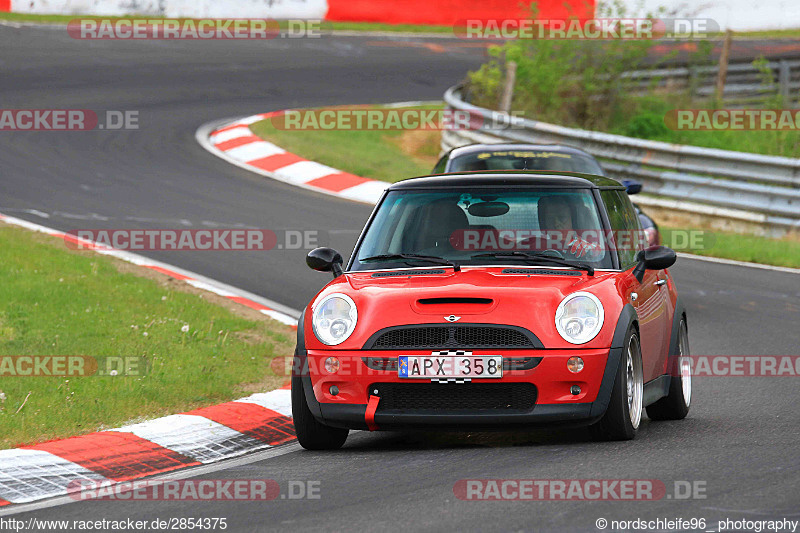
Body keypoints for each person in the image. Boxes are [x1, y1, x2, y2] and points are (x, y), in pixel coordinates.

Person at [537, 195, 602, 260]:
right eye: (550, 219)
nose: (556, 224)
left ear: (573, 221)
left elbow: (597, 254)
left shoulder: (583, 246)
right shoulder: (534, 245)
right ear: (543, 223)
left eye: (562, 218)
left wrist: (589, 250)